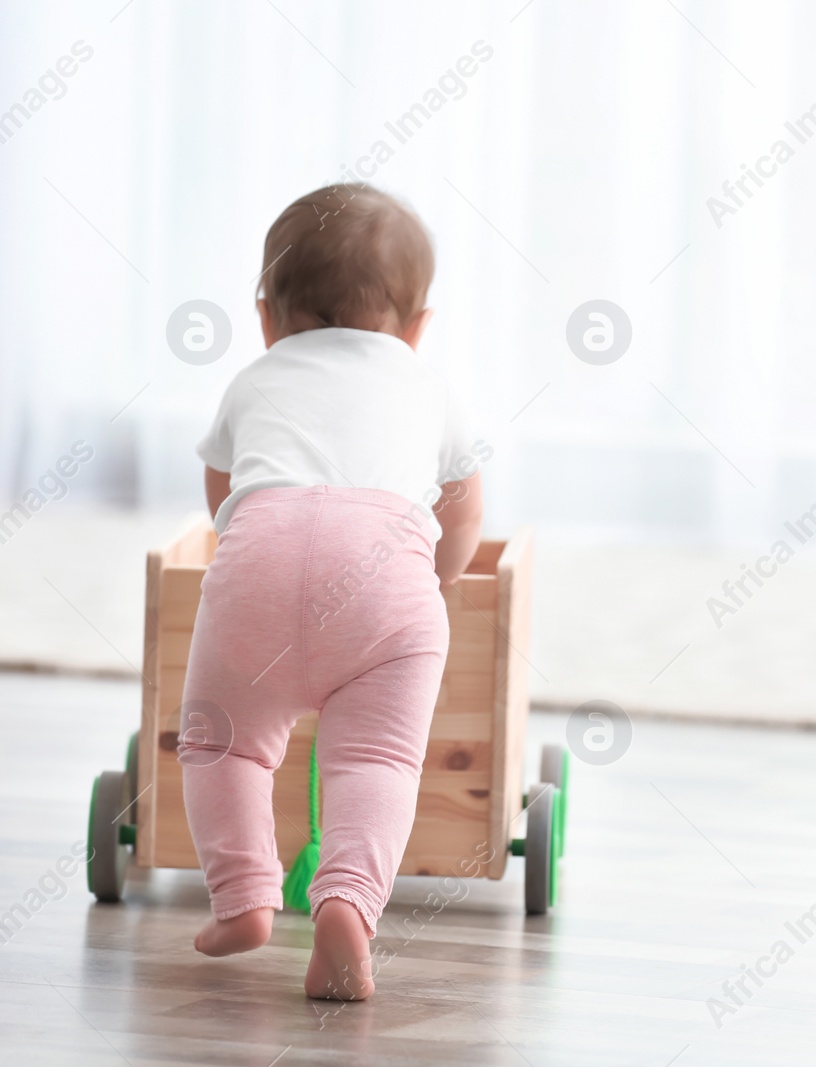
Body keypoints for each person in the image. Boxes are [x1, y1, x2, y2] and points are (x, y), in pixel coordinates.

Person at [179, 183, 484, 1000]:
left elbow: (222, 493)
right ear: (416, 328)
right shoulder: (433, 388)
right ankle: (347, 902)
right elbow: (463, 512)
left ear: (266, 316)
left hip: (261, 567)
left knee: (224, 745)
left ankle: (243, 898)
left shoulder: (254, 379)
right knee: (378, 762)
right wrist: (441, 576)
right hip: (388, 581)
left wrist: (258, 552)